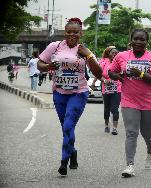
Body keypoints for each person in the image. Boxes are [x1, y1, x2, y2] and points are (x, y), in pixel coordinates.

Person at [37, 17, 102, 176]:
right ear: (64, 32)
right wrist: (48, 66)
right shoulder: (55, 46)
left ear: (81, 33)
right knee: (66, 127)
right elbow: (40, 65)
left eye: (75, 32)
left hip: (78, 93)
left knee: (67, 126)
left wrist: (88, 56)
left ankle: (63, 162)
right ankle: (72, 152)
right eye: (68, 32)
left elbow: (99, 73)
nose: (72, 35)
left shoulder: (84, 50)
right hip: (59, 93)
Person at [108, 28, 151, 177]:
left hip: (149, 102)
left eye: (142, 39)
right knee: (131, 132)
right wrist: (118, 76)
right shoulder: (121, 56)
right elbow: (111, 72)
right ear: (131, 40)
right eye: (135, 39)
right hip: (129, 100)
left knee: (146, 133)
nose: (138, 42)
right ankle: (129, 165)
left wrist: (141, 74)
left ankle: (150, 150)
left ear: (146, 42)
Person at [98, 46, 120, 135]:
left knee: (115, 108)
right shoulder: (103, 62)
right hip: (106, 89)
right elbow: (99, 74)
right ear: (109, 54)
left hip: (117, 89)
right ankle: (107, 125)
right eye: (113, 53)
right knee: (107, 108)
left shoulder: (120, 63)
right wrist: (104, 80)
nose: (114, 55)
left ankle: (114, 128)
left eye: (116, 53)